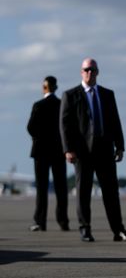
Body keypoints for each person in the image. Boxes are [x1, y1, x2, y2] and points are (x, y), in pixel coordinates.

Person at [59, 58, 126, 242]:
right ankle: (85, 228)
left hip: (105, 150)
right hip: (82, 152)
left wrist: (120, 146)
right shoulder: (70, 95)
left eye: (93, 70)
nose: (89, 73)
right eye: (86, 70)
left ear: (98, 72)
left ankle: (118, 230)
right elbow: (64, 125)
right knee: (83, 192)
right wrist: (68, 149)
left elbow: (115, 121)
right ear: (81, 72)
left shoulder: (107, 94)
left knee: (111, 193)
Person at [27, 76, 70, 232]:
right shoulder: (61, 105)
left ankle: (40, 221)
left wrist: (39, 138)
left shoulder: (38, 105)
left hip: (41, 152)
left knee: (41, 188)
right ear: (56, 87)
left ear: (44, 87)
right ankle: (63, 221)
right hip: (58, 151)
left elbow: (30, 127)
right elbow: (68, 127)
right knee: (61, 188)